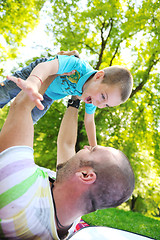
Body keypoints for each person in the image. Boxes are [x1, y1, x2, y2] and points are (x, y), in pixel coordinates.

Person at [0, 70, 135, 239]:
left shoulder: (20, 188)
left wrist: (54, 71)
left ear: (86, 175)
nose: (85, 147)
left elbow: (22, 106)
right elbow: (66, 144)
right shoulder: (69, 219)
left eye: (92, 150)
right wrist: (75, 100)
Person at [0, 50, 133, 146]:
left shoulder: (93, 97)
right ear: (98, 77)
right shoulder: (77, 66)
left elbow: (89, 121)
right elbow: (47, 67)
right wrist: (34, 82)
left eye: (106, 105)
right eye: (103, 96)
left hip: (48, 96)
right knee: (5, 93)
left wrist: (94, 147)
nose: (99, 104)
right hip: (38, 74)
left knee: (26, 122)